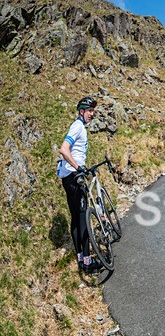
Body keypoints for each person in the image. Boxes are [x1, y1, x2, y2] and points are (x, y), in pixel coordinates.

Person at [57, 96, 100, 273]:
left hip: (67, 177)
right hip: (74, 177)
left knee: (75, 217)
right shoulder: (77, 127)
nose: (92, 114)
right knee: (83, 218)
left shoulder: (79, 126)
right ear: (81, 111)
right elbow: (64, 149)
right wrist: (79, 168)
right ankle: (88, 262)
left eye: (93, 112)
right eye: (89, 111)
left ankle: (81, 259)